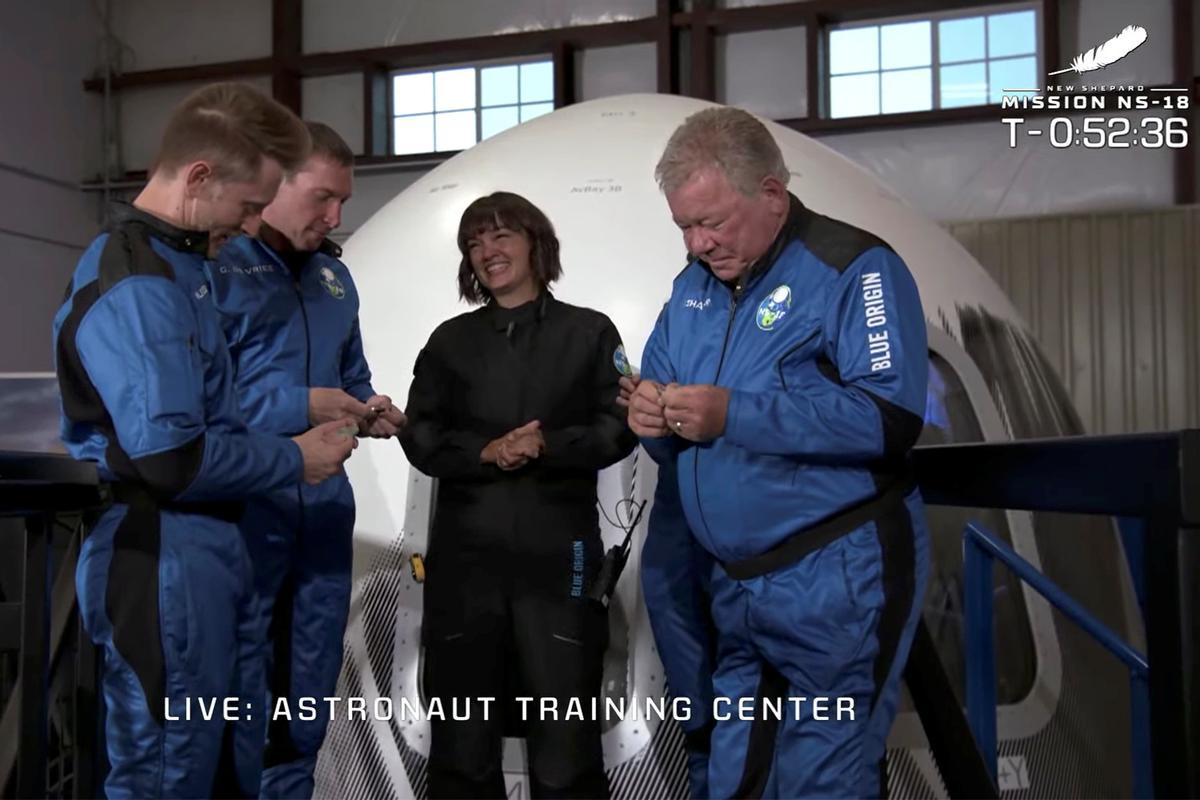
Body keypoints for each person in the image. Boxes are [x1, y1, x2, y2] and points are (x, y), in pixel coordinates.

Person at [53, 82, 358, 799]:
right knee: (171, 768)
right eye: (250, 206)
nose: (253, 225)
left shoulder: (191, 268)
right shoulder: (137, 283)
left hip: (218, 552)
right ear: (198, 179)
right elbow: (170, 457)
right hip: (161, 556)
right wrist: (295, 456)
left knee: (229, 762)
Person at [623, 107, 931, 799]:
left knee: (823, 777)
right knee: (738, 773)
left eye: (713, 222)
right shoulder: (692, 288)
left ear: (771, 192)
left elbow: (888, 418)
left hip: (837, 576)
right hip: (737, 584)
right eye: (684, 227)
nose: (699, 243)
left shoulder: (855, 268)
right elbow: (668, 409)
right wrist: (650, 417)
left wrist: (734, 414)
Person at [400, 191, 637, 799]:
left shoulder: (589, 333)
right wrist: (486, 452)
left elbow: (619, 426)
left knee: (565, 747)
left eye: (501, 235)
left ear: (536, 243)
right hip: (464, 567)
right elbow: (421, 436)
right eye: (475, 242)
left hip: (560, 561)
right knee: (462, 744)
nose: (488, 251)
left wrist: (547, 445)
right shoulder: (449, 342)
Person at [208, 121, 405, 799]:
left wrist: (366, 408)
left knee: (305, 704)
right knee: (234, 707)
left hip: (322, 518)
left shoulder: (335, 280)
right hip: (243, 516)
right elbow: (200, 403)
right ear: (274, 182)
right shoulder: (217, 271)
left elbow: (350, 376)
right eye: (323, 197)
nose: (336, 215)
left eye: (343, 202)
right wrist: (302, 404)